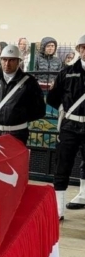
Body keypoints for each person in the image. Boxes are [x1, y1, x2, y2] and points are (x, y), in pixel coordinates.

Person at [47, 34, 85, 221]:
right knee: (62, 164)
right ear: (78, 50)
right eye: (83, 47)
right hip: (70, 125)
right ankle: (58, 209)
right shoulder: (66, 73)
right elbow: (52, 98)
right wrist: (66, 109)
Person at [0, 44, 46, 144]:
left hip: (17, 133)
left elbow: (39, 109)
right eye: (4, 59)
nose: (7, 63)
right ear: (0, 60)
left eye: (12, 60)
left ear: (18, 61)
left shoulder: (29, 82)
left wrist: (18, 117)